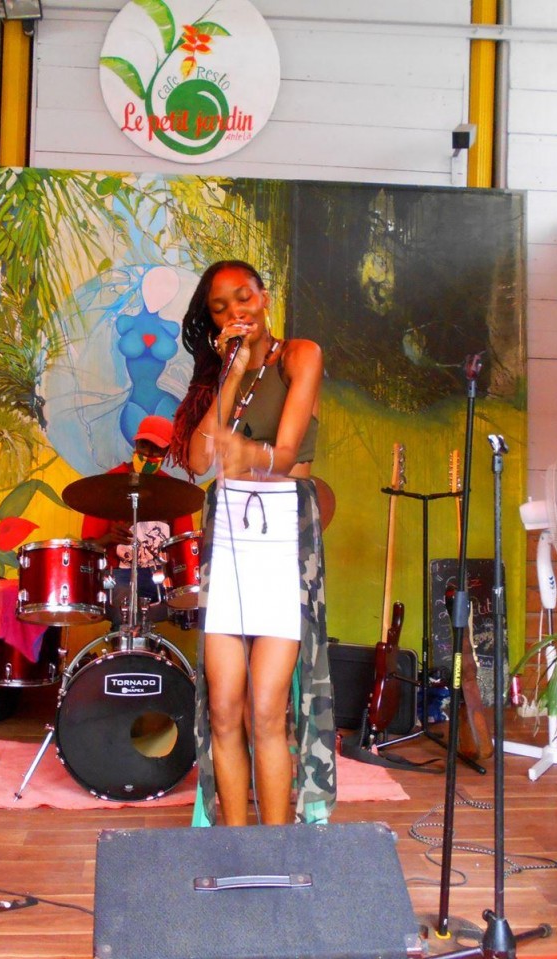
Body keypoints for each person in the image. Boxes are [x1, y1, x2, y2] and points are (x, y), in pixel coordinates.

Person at [169, 260, 336, 827]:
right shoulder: (226, 374)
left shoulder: (300, 355)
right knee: (223, 709)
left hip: (283, 532)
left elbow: (285, 456)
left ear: (264, 297)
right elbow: (198, 460)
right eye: (220, 308)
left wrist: (249, 455)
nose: (235, 312)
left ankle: (276, 847)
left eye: (243, 297)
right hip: (231, 536)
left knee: (266, 709)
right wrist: (232, 373)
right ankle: (235, 845)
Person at [81, 415, 195, 629]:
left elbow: (185, 549)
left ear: (166, 453)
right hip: (118, 575)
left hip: (160, 577)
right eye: (144, 445)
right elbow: (87, 548)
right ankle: (129, 645)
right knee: (127, 608)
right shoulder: (107, 484)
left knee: (197, 602)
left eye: (156, 449)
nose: (148, 453)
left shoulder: (174, 492)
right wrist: (109, 538)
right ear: (135, 444)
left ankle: (142, 646)